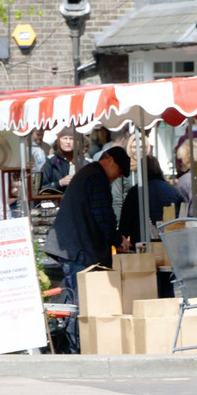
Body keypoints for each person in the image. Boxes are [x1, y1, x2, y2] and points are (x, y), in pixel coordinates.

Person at [43, 146, 133, 353]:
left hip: (74, 248)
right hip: (78, 250)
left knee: (75, 301)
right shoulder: (96, 178)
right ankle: (79, 350)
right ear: (109, 160)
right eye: (119, 172)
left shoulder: (89, 173)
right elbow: (103, 215)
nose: (118, 177)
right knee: (82, 305)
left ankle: (72, 347)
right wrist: (117, 238)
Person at [119, 155, 185, 243]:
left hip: (141, 240)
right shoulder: (173, 191)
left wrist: (121, 238)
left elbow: (126, 221)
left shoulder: (135, 192)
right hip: (170, 239)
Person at [175, 138, 197, 216]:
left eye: (182, 159)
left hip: (195, 221)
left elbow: (183, 210)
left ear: (188, 158)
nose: (181, 163)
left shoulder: (184, 180)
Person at [40, 128, 80, 193]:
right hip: (57, 201)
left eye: (71, 138)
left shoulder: (83, 162)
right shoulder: (51, 163)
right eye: (65, 138)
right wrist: (59, 183)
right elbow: (41, 187)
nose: (68, 142)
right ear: (59, 140)